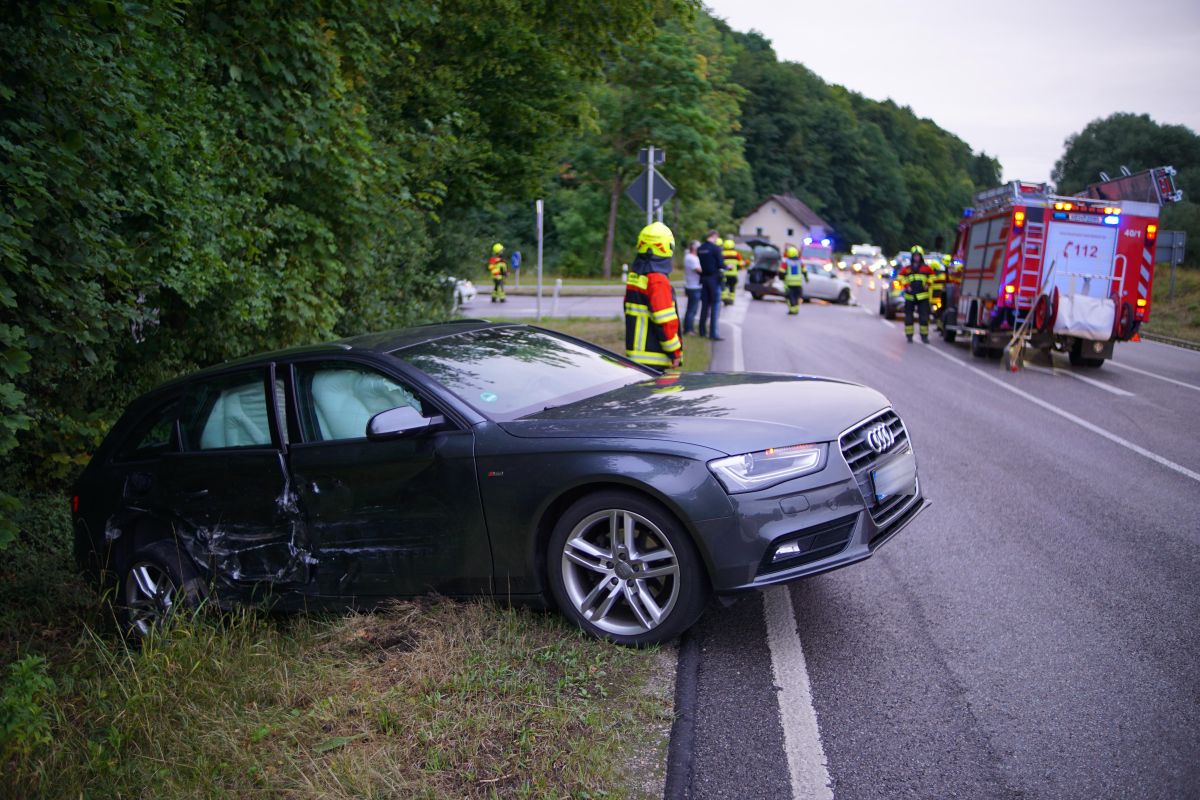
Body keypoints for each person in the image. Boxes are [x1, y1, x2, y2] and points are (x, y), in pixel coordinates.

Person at [624, 222, 682, 369]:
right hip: (654, 357)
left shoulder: (636, 276)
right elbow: (664, 321)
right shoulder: (658, 280)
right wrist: (675, 352)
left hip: (635, 354)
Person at [899, 244, 934, 342]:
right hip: (910, 296)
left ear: (921, 256)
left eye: (918, 256)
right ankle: (909, 336)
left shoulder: (926, 268)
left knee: (924, 318)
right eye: (915, 256)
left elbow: (932, 276)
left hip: (923, 296)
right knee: (909, 318)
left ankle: (924, 336)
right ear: (912, 256)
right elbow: (900, 277)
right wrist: (906, 286)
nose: (916, 257)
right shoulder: (907, 268)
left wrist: (928, 283)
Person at [697, 230, 724, 340]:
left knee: (704, 306)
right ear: (714, 236)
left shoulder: (700, 248)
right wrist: (728, 267)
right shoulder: (716, 248)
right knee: (715, 307)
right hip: (714, 279)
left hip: (704, 279)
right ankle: (713, 333)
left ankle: (702, 331)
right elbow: (720, 264)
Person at [682, 240, 702, 334]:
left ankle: (689, 328)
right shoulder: (691, 258)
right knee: (692, 309)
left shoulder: (692, 257)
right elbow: (698, 270)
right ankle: (688, 329)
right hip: (693, 286)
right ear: (694, 248)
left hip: (693, 285)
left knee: (692, 309)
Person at [782, 245, 807, 315]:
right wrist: (806, 278)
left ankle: (792, 310)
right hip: (798, 283)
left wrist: (782, 278)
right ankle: (796, 310)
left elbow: (781, 271)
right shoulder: (800, 262)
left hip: (789, 283)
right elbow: (805, 271)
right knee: (797, 297)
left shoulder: (786, 262)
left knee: (789, 297)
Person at [721, 239, 742, 305]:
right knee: (732, 288)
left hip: (724, 274)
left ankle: (725, 298)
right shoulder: (736, 254)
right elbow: (740, 264)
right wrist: (738, 268)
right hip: (733, 275)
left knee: (725, 287)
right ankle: (731, 300)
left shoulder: (721, 253)